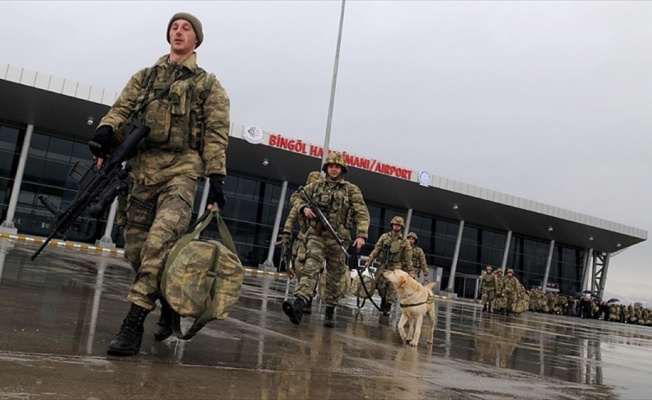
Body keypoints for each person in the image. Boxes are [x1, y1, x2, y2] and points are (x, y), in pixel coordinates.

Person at [89, 12, 230, 356]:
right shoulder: (145, 76)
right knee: (136, 250)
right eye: (174, 27)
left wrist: (216, 180)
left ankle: (133, 323)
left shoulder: (208, 86)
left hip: (181, 170)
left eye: (186, 29)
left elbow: (215, 135)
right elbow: (121, 108)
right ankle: (168, 304)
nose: (178, 32)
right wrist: (105, 131)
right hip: (141, 170)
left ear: (196, 40)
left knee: (159, 243)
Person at [282, 152, 370, 328]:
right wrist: (304, 208)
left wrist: (361, 235)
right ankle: (299, 305)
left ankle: (330, 310)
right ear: (326, 168)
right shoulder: (316, 186)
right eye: (331, 166)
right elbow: (295, 197)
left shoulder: (351, 190)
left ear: (342, 169)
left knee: (334, 277)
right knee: (310, 269)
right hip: (317, 236)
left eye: (337, 166)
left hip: (339, 241)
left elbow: (362, 213)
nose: (334, 169)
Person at [275, 171, 322, 314]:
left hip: (318, 240)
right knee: (299, 269)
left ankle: (306, 299)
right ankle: (304, 296)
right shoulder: (301, 201)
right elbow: (291, 218)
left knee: (312, 270)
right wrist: (287, 234)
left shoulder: (324, 200)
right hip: (302, 239)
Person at [364, 216, 413, 316]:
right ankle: (383, 300)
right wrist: (369, 260)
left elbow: (408, 258)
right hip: (382, 265)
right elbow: (376, 249)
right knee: (380, 285)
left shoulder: (404, 242)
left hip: (396, 267)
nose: (396, 227)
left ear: (401, 227)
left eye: (398, 225)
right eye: (395, 224)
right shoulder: (384, 237)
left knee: (393, 287)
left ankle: (387, 306)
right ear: (392, 225)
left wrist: (411, 271)